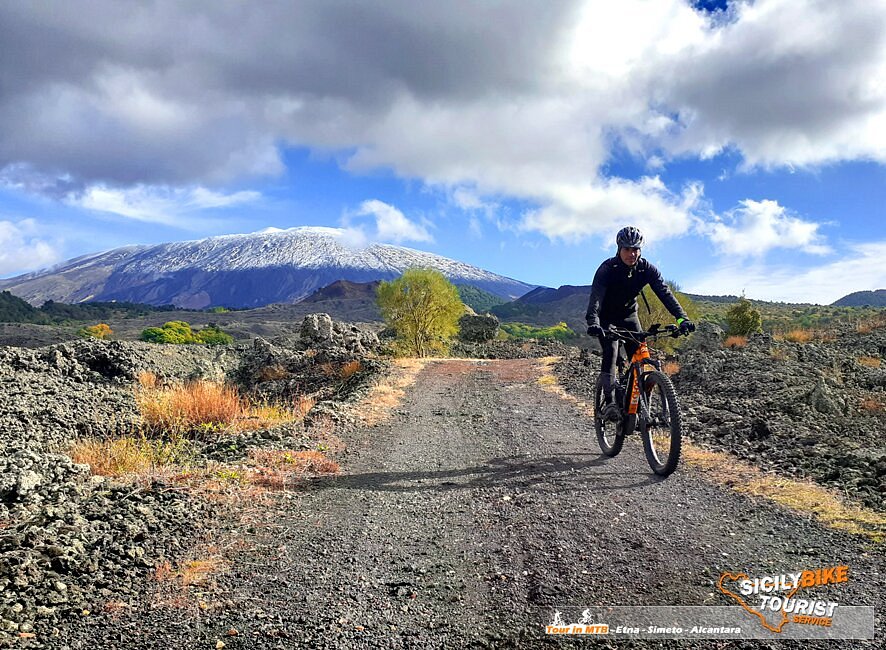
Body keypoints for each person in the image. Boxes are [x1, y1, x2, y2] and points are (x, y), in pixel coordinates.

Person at [585, 226, 695, 420]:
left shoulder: (646, 269)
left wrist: (682, 318)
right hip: (607, 318)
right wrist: (593, 322)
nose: (631, 253)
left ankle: (637, 402)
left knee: (640, 356)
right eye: (627, 249)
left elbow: (664, 293)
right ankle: (610, 403)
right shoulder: (608, 269)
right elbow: (596, 299)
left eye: (635, 249)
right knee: (610, 353)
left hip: (630, 317)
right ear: (619, 249)